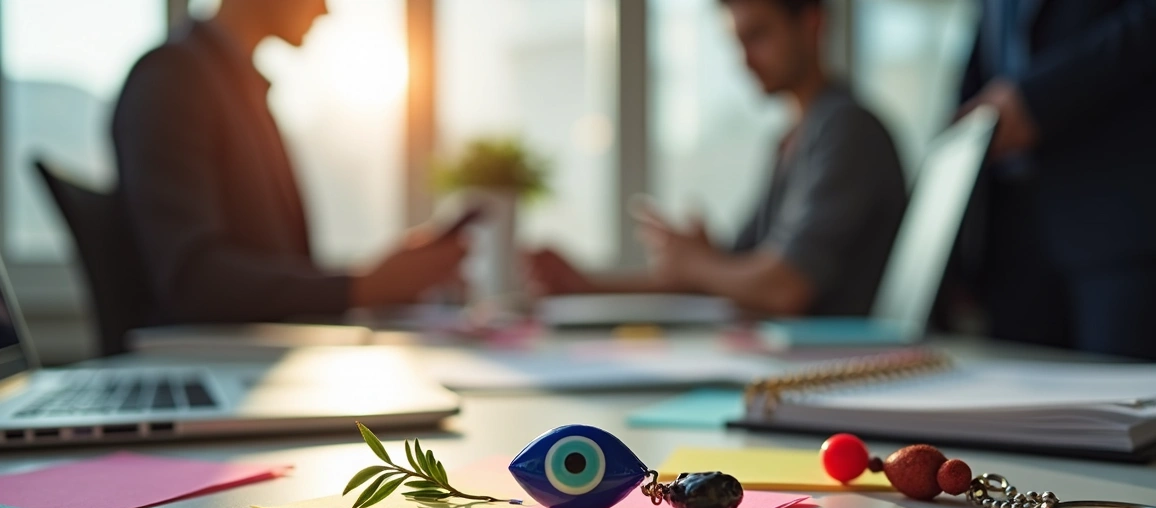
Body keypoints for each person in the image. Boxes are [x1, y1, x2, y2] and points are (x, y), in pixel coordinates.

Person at [529, 0, 905, 316]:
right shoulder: (791, 141)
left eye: (757, 36)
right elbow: (727, 281)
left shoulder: (846, 130)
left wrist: (698, 263)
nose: (744, 61)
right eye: (737, 43)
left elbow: (783, 287)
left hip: (839, 371)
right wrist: (589, 288)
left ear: (811, 22)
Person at [112, 0, 466, 323]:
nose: (326, 10)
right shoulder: (174, 78)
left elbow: (281, 264)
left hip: (257, 359)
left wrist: (379, 280)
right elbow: (191, 278)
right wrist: (363, 286)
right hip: (213, 365)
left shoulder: (241, 89)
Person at [956, 0, 1156, 361]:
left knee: (1132, 401)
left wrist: (1039, 99)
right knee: (1021, 407)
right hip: (1013, 225)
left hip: (1132, 207)